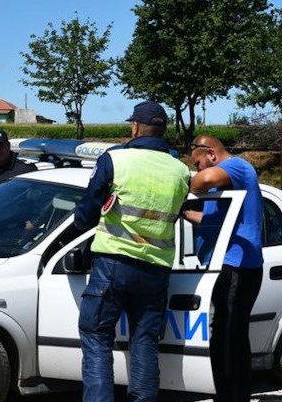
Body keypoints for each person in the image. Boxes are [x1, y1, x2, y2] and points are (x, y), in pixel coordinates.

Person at [73, 101, 190, 401]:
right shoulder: (180, 171)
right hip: (156, 270)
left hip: (113, 264)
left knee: (97, 336)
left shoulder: (115, 160)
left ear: (135, 127)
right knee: (145, 342)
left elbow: (86, 215)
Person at [183, 135, 264, 402]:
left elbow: (203, 181)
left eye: (197, 163)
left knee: (226, 339)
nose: (197, 170)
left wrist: (183, 184)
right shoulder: (227, 190)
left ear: (212, 154)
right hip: (228, 265)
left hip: (237, 265)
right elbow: (210, 220)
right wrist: (183, 212)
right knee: (232, 336)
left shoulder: (237, 167)